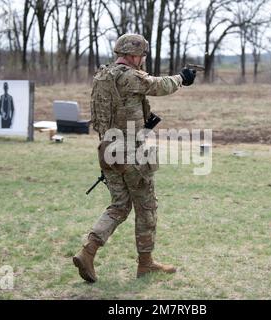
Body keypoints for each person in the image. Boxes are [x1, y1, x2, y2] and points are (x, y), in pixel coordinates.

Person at [73, 34, 196, 283]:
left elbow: (116, 112)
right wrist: (181, 79)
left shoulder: (103, 76)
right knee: (146, 206)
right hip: (130, 153)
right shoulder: (129, 75)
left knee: (119, 206)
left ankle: (88, 251)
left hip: (108, 149)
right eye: (141, 55)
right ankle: (146, 263)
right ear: (132, 55)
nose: (142, 60)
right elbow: (158, 85)